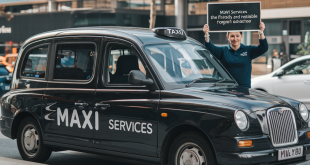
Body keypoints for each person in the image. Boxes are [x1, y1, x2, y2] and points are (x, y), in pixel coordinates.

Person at [203, 22, 268, 88]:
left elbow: (263, 48)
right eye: (232, 36)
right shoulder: (223, 51)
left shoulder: (248, 50)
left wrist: (261, 32)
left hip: (244, 88)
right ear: (228, 37)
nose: (235, 39)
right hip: (227, 88)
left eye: (237, 36)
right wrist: (206, 34)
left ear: (241, 36)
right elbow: (209, 48)